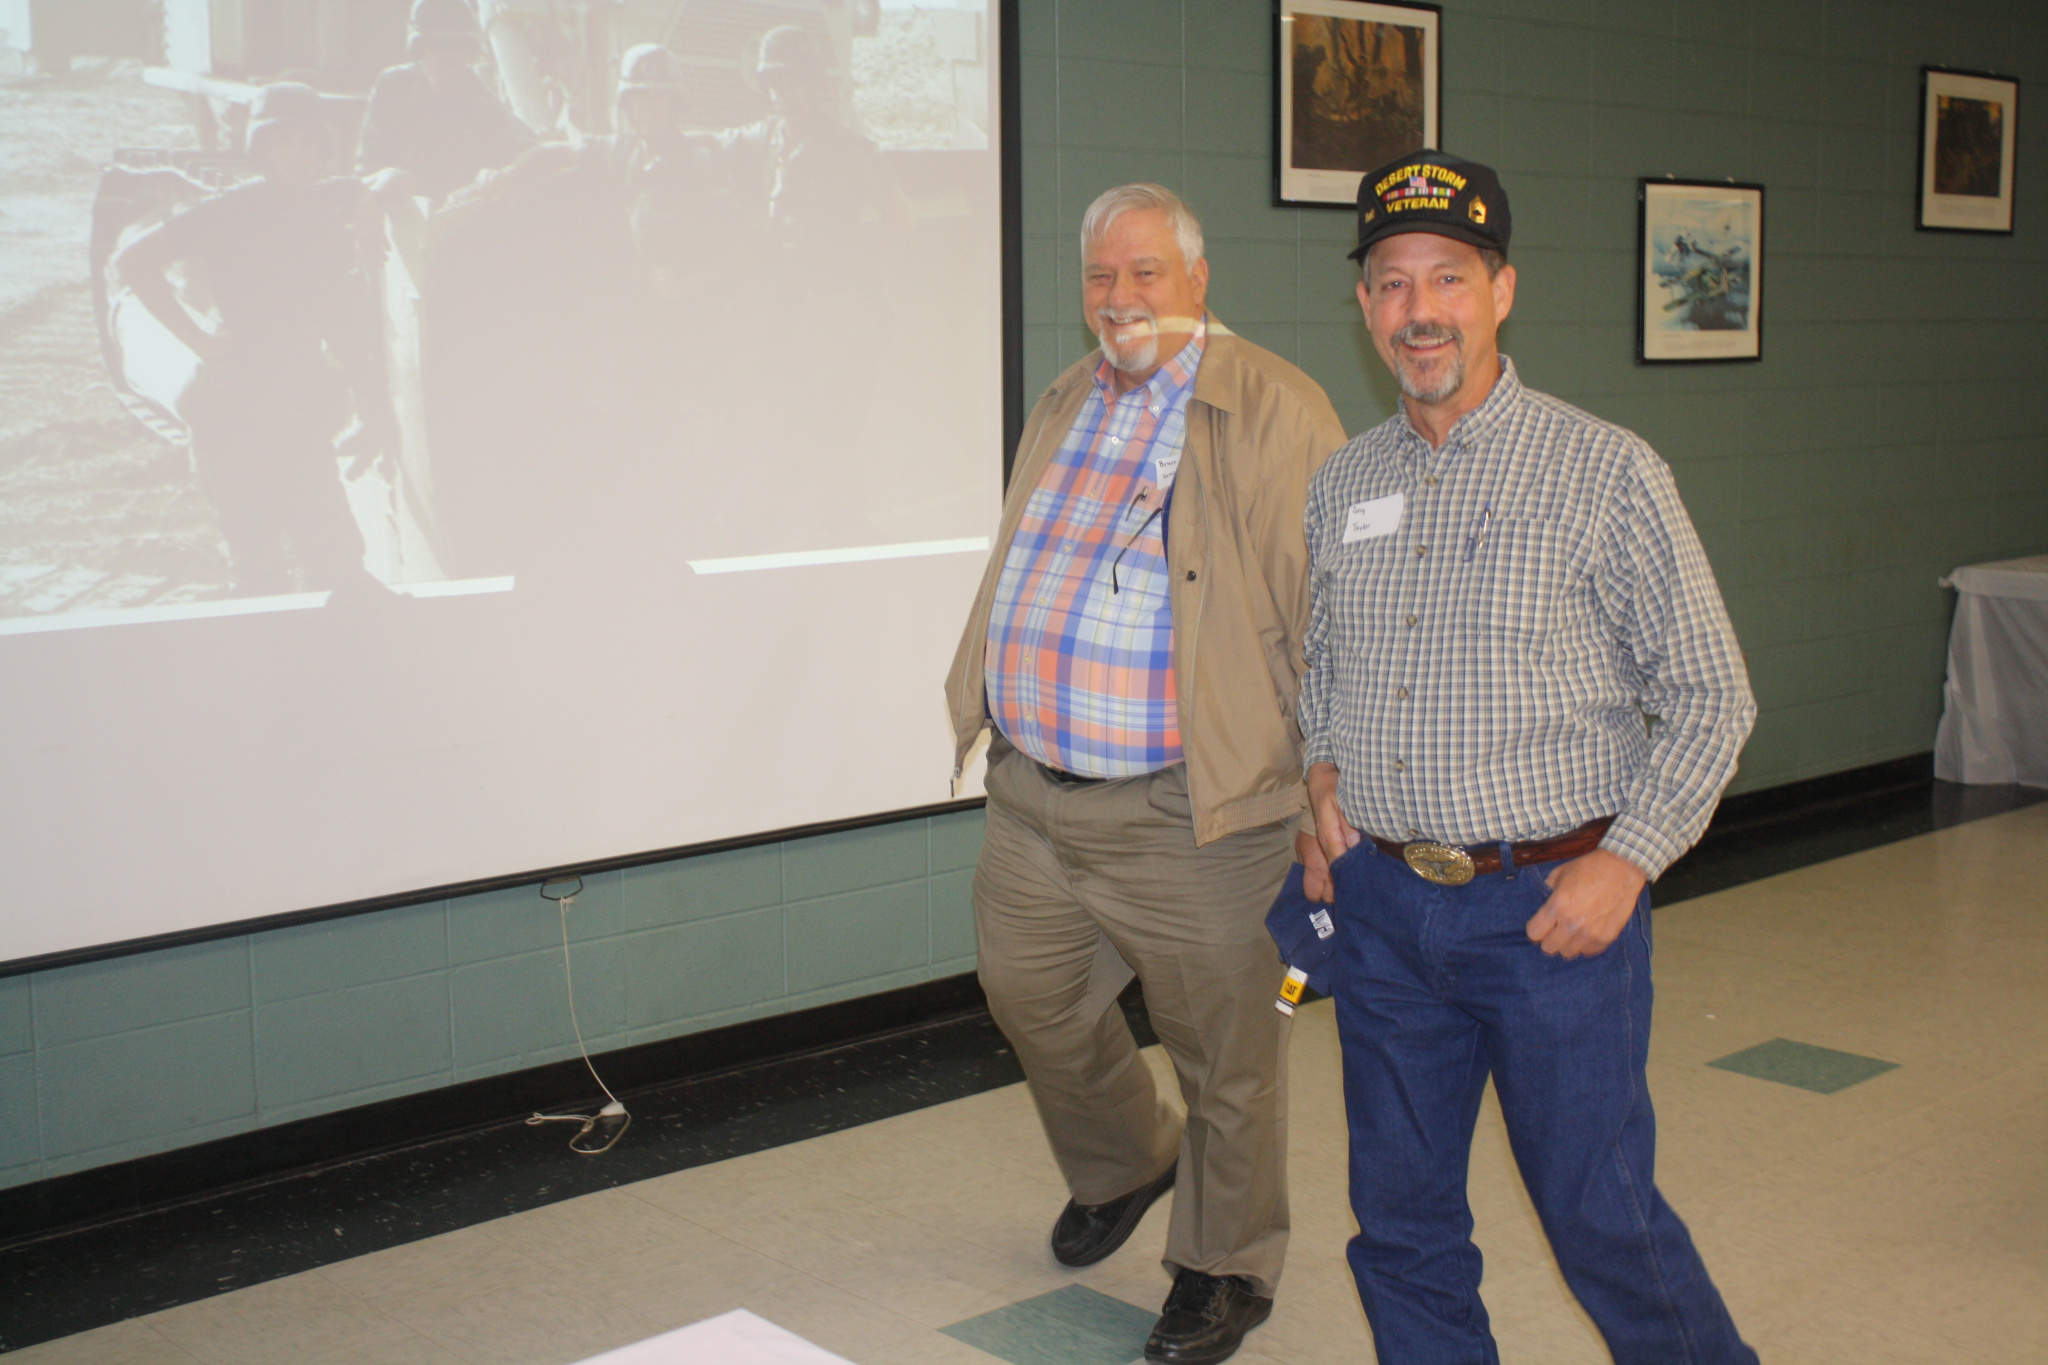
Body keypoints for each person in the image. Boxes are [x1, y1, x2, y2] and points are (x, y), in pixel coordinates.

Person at [1297, 150, 1760, 1364]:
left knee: (1599, 1217)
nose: (1418, 311)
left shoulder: (1605, 473)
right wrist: (1320, 775)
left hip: (1551, 915)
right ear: (1363, 307)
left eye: (1446, 277)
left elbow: (1712, 696)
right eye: (1391, 284)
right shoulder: (1342, 484)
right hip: (1388, 909)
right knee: (1398, 1224)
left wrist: (1628, 863)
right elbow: (1322, 669)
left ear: (1501, 291)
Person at [946, 184, 1346, 1365]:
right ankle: (1127, 1158)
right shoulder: (1067, 396)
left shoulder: (1273, 408)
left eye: (1144, 275)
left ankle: (1224, 1266)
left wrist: (1326, 800)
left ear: (1197, 280)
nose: (1119, 299)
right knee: (1028, 996)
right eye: (1100, 279)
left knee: (1225, 1055)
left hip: (1193, 811)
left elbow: (1328, 620)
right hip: (1033, 796)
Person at [116, 82, 393, 599]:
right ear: (263, 150)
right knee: (261, 581)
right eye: (285, 143)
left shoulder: (328, 211)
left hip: (297, 412)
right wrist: (200, 341)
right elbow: (133, 260)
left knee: (339, 568)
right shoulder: (229, 212)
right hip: (235, 416)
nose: (300, 156)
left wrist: (367, 199)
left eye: (310, 143)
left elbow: (342, 320)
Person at [357, 0, 535, 201]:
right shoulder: (393, 86)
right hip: (394, 207)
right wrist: (386, 179)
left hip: (455, 212)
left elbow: (527, 148)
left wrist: (501, 176)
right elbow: (366, 169)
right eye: (438, 44)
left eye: (459, 46)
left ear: (469, 53)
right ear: (421, 47)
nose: (449, 54)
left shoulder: (482, 100)